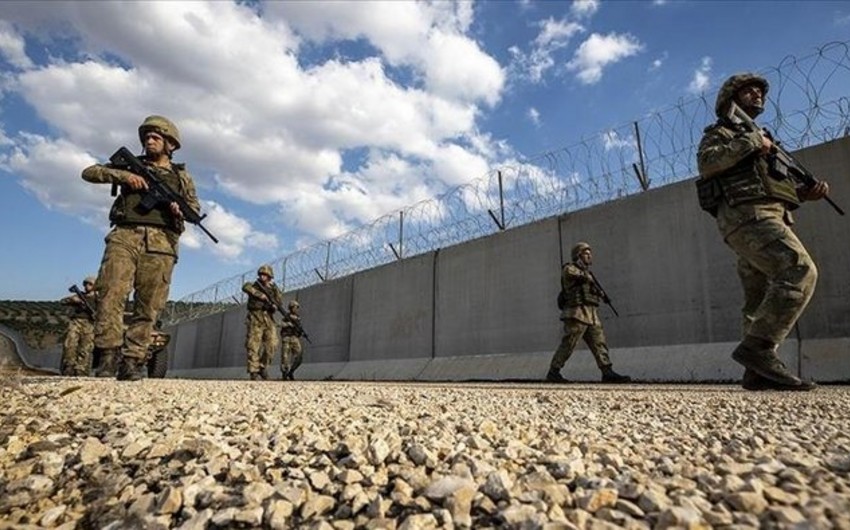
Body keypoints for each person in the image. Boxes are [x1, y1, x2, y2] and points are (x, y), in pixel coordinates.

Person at [697, 73, 828, 391]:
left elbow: (768, 186)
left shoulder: (762, 138)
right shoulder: (722, 132)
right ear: (731, 98)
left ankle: (757, 372)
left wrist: (803, 194)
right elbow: (708, 162)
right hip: (747, 216)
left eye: (760, 91)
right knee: (799, 269)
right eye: (749, 90)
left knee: (757, 297)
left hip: (765, 215)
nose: (758, 94)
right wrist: (755, 141)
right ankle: (759, 349)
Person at [82, 115, 201, 381]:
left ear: (170, 143)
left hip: (162, 243)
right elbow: (89, 172)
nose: (149, 140)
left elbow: (193, 209)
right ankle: (108, 357)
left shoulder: (181, 177)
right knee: (110, 292)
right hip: (125, 235)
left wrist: (178, 210)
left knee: (149, 305)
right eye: (147, 137)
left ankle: (133, 360)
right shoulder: (133, 166)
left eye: (156, 137)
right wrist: (124, 176)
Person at [546, 242, 631, 384]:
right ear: (578, 256)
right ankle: (553, 372)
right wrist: (585, 276)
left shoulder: (588, 274)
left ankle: (607, 371)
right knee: (569, 344)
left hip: (591, 314)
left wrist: (600, 294)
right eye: (586, 253)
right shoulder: (570, 269)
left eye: (590, 253)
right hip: (577, 313)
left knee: (599, 343)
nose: (590, 255)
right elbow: (570, 273)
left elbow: (591, 288)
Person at [242, 265, 282, 380]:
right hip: (255, 316)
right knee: (253, 344)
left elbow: (278, 301)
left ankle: (262, 366)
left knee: (273, 343)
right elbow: (245, 287)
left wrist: (274, 304)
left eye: (265, 275)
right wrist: (261, 295)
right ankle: (254, 370)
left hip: (268, 317)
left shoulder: (273, 288)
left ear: (270, 276)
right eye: (260, 274)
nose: (262, 276)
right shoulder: (254, 285)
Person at [59, 276, 97, 376]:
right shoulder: (79, 296)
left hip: (89, 324)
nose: (87, 286)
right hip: (76, 322)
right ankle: (68, 369)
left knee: (85, 348)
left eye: (90, 284)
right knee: (70, 345)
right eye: (85, 284)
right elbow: (62, 301)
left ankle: (82, 371)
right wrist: (73, 300)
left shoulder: (98, 299)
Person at [280, 300, 305, 380]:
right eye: (295, 307)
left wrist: (301, 332)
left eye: (297, 307)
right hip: (286, 338)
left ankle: (291, 372)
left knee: (299, 356)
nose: (296, 309)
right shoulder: (286, 316)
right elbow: (279, 324)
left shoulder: (298, 317)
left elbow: (299, 328)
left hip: (294, 338)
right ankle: (285, 373)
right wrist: (288, 324)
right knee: (285, 357)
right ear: (291, 308)